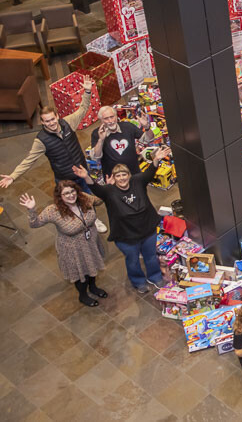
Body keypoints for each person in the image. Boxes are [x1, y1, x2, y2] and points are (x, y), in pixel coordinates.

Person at [1, 75, 107, 233]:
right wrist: (13, 176)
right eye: (46, 121)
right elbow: (29, 160)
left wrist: (86, 91)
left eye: (52, 119)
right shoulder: (41, 141)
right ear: (42, 122)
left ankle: (93, 218)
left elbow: (83, 109)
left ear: (57, 116)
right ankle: (81, 222)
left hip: (82, 171)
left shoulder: (68, 122)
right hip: (64, 178)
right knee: (71, 202)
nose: (50, 123)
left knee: (88, 197)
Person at [72, 147, 171, 293]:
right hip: (126, 236)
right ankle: (138, 282)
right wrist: (86, 176)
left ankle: (155, 277)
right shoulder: (109, 192)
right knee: (133, 261)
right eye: (118, 176)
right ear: (114, 178)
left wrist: (156, 158)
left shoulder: (138, 181)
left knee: (150, 256)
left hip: (147, 230)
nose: (122, 178)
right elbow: (96, 189)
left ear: (129, 175)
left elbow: (150, 172)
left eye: (124, 174)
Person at [19, 182, 108, 307]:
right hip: (73, 249)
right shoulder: (53, 210)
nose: (71, 195)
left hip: (91, 242)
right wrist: (31, 210)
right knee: (82, 274)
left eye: (72, 191)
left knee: (92, 267)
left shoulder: (85, 198)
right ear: (60, 196)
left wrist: (106, 188)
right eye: (66, 193)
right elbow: (35, 224)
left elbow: (99, 200)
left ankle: (93, 288)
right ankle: (83, 296)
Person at [90, 105, 154, 177]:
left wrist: (147, 127)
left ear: (116, 116)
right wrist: (101, 140)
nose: (110, 121)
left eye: (112, 117)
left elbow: (149, 139)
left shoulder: (128, 126)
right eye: (106, 119)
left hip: (134, 173)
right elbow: (96, 157)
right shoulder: (97, 133)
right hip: (113, 178)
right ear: (101, 120)